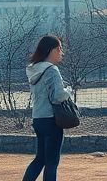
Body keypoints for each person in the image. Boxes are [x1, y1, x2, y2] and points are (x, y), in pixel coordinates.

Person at [25, 34, 74, 181]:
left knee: (40, 159)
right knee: (52, 162)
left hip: (38, 118)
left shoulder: (33, 69)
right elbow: (58, 96)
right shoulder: (52, 70)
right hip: (51, 120)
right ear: (51, 50)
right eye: (59, 48)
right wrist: (69, 91)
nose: (61, 52)